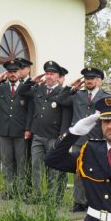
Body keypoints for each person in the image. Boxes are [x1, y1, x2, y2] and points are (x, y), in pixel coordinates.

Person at [56, 67, 109, 212]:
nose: (88, 81)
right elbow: (60, 100)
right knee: (79, 172)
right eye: (86, 78)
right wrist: (69, 87)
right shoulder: (78, 95)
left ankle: (93, 202)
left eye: (92, 78)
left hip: (97, 140)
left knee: (96, 172)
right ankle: (79, 202)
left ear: (99, 81)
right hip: (79, 140)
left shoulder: (105, 97)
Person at [19, 61, 68, 201]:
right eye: (47, 73)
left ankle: (52, 196)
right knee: (36, 166)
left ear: (58, 76)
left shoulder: (62, 92)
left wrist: (62, 136)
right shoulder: (39, 89)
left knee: (53, 168)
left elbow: (65, 115)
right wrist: (31, 81)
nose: (49, 76)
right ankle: (37, 194)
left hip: (53, 136)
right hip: (38, 135)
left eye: (52, 74)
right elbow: (22, 92)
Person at [0, 59, 29, 199]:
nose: (12, 74)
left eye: (15, 71)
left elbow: (30, 111)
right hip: (3, 131)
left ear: (20, 72)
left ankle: (21, 190)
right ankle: (9, 190)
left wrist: (28, 129)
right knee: (6, 162)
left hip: (20, 131)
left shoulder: (26, 88)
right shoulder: (0, 87)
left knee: (21, 162)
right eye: (10, 72)